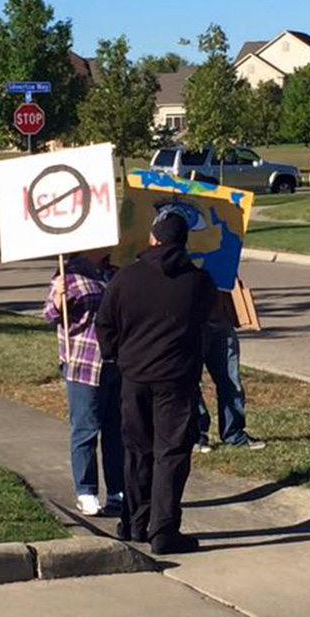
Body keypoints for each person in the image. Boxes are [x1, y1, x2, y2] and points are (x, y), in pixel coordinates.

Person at [96, 212, 215, 554]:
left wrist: (118, 354)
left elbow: (105, 323)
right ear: (182, 242)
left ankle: (134, 523)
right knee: (172, 454)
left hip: (134, 377)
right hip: (177, 380)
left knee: (137, 451)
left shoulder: (126, 278)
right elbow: (207, 317)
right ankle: (164, 529)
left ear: (152, 239)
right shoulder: (198, 282)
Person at [43, 249, 124, 517]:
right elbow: (49, 314)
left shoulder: (114, 272)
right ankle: (86, 491)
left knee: (116, 430)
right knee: (86, 429)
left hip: (117, 362)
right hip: (84, 363)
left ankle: (117, 490)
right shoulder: (68, 275)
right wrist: (58, 302)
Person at [201, 288, 266, 450]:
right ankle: (197, 435)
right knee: (190, 382)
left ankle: (234, 433)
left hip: (222, 319)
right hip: (192, 321)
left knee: (231, 381)